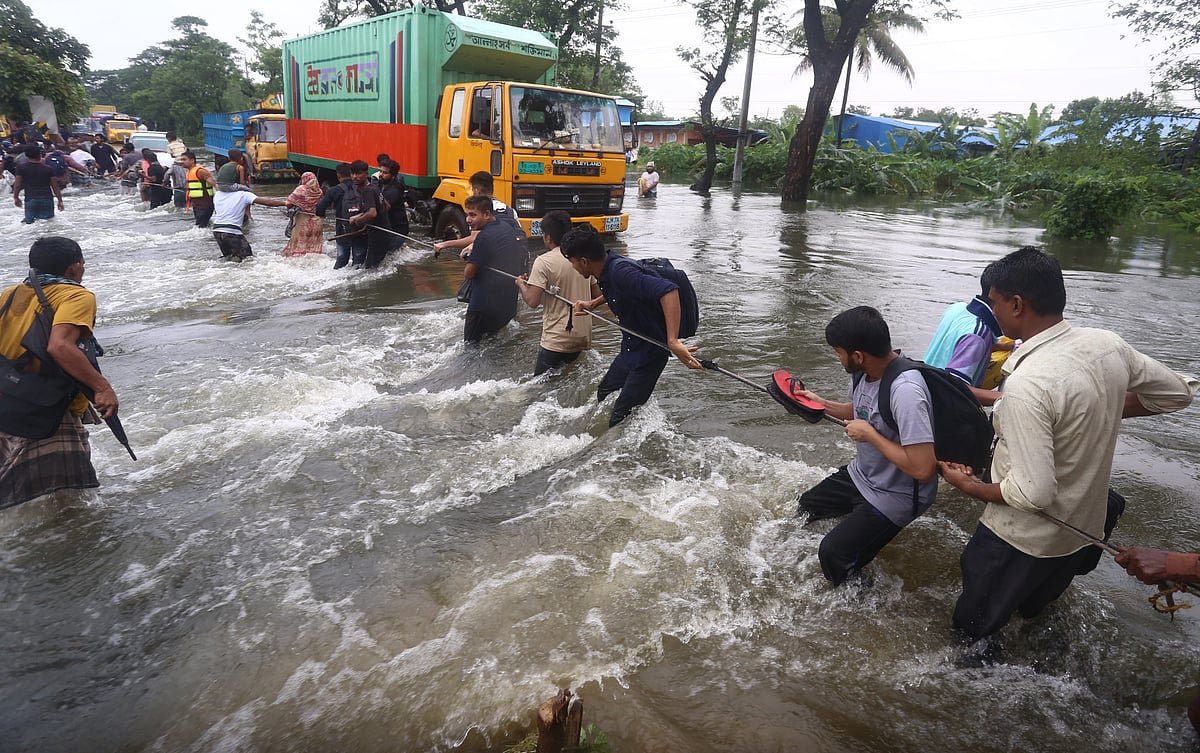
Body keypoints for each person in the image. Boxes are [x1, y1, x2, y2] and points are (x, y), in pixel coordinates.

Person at [938, 246, 1198, 660]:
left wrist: (966, 485)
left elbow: (1031, 494)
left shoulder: (1028, 384)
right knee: (1033, 611)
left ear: (1017, 304)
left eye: (994, 302)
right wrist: (1104, 406)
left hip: (1018, 539)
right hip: (1083, 532)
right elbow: (1176, 393)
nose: (993, 311)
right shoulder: (1106, 344)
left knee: (973, 633)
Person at [791, 306, 938, 585]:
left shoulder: (906, 391)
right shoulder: (864, 372)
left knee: (833, 553)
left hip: (899, 494)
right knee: (807, 506)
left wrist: (870, 435)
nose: (837, 357)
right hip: (864, 475)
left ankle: (862, 604)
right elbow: (858, 410)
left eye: (838, 352)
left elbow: (923, 469)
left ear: (857, 355)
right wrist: (819, 403)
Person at [0, 237, 118, 510]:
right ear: (74, 268)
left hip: (8, 399)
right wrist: (102, 387)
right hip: (47, 406)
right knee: (67, 502)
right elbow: (60, 345)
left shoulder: (10, 294)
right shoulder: (77, 295)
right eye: (83, 262)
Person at [561, 225, 702, 425]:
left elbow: (669, 290)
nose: (573, 267)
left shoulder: (621, 272)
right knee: (605, 391)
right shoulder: (608, 266)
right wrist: (593, 303)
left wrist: (672, 340)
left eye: (573, 262)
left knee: (621, 416)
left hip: (650, 353)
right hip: (631, 347)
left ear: (584, 261)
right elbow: (621, 289)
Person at [514, 210, 598, 375]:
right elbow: (596, 294)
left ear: (548, 237)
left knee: (538, 389)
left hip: (556, 339)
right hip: (583, 337)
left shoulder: (544, 261)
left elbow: (532, 301)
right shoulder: (583, 258)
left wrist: (521, 285)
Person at [922, 262, 1004, 404]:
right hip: (940, 405)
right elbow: (954, 388)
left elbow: (965, 345)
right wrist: (1007, 398)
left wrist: (1010, 346)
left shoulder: (957, 308)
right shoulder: (978, 334)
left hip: (923, 388)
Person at [461, 194, 528, 343]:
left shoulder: (484, 237)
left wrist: (467, 259)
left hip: (483, 306)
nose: (468, 220)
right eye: (467, 215)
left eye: (473, 215)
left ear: (487, 214)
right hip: (506, 304)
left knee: (470, 349)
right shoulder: (506, 227)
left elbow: (468, 274)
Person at [432, 170, 524, 257]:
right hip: (519, 256)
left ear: (476, 191)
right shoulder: (510, 210)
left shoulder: (480, 212)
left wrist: (444, 244)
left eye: (472, 189)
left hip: (497, 260)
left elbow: (474, 239)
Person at [211, 184, 287, 262]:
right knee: (248, 260)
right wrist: (285, 203)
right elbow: (268, 202)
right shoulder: (244, 195)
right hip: (232, 232)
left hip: (217, 231)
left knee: (229, 259)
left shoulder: (218, 194)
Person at [343, 160, 391, 269]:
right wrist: (360, 216)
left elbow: (372, 213)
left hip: (378, 235)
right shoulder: (374, 188)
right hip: (383, 233)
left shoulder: (367, 191)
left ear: (366, 174)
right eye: (352, 173)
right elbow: (387, 206)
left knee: (371, 269)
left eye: (359, 173)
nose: (355, 177)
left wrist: (357, 221)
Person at [315, 163, 354, 269]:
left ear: (338, 175)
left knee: (342, 259)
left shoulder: (334, 190)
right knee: (359, 259)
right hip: (360, 228)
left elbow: (319, 208)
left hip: (342, 229)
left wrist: (322, 216)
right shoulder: (361, 187)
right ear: (352, 174)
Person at [13, 144, 63, 223]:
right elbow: (55, 186)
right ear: (40, 155)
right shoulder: (48, 169)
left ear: (26, 155)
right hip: (47, 200)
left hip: (31, 199)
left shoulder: (21, 168)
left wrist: (16, 197)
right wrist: (60, 201)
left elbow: (18, 184)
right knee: (48, 223)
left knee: (30, 225)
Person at [282, 172, 325, 257]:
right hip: (317, 224)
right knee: (314, 253)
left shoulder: (301, 189)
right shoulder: (320, 191)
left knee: (297, 254)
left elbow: (289, 203)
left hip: (302, 224)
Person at [376, 158, 410, 251]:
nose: (381, 175)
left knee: (386, 253)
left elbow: (382, 210)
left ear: (393, 176)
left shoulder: (394, 191)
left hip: (397, 230)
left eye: (385, 173)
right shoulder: (379, 185)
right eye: (380, 171)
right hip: (386, 228)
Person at [180, 150, 216, 228]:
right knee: (202, 226)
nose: (182, 162)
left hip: (205, 203)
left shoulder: (200, 171)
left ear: (192, 160)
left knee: (201, 226)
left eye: (184, 159)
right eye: (181, 160)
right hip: (196, 204)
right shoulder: (189, 172)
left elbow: (214, 184)